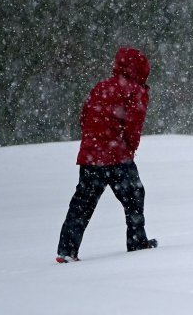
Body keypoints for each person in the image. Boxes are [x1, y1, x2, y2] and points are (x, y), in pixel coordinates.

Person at [56, 46, 157, 263]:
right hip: (117, 155)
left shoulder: (102, 87)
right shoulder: (135, 90)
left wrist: (95, 143)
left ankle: (67, 250)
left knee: (83, 203)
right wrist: (128, 148)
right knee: (134, 197)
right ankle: (137, 242)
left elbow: (85, 116)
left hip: (92, 155)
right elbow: (133, 124)